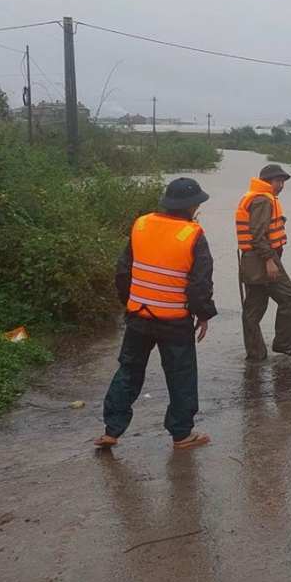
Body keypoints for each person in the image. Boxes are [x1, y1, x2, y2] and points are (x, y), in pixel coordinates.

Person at [95, 178, 216, 450]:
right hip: (173, 321)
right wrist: (204, 314)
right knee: (181, 376)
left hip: (138, 316)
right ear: (190, 205)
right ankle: (182, 434)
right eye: (197, 202)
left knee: (128, 370)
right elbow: (200, 283)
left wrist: (131, 303)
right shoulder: (193, 235)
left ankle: (111, 430)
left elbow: (123, 271)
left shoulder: (141, 224)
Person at [236, 164, 291, 361]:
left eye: (283, 182)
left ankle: (256, 355)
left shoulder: (258, 197)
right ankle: (283, 344)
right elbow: (258, 236)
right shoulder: (262, 201)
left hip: (253, 260)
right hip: (262, 260)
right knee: (290, 299)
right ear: (266, 181)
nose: (281, 185)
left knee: (253, 308)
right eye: (277, 181)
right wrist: (269, 261)